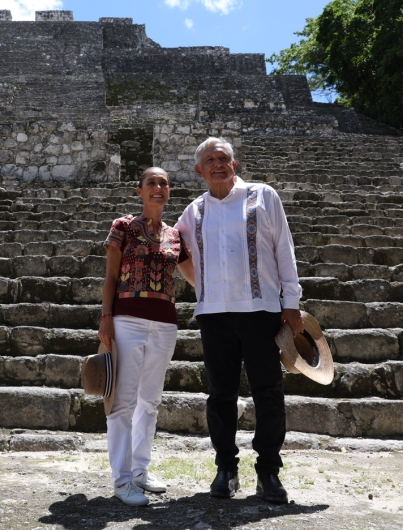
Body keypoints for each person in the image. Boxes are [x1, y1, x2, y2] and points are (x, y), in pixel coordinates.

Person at [175, 137, 303, 504]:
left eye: (224, 158)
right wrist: (204, 287)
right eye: (210, 160)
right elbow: (177, 250)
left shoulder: (263, 196)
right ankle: (225, 469)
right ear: (199, 171)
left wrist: (290, 304)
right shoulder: (193, 210)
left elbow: (284, 248)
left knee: (268, 392)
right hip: (214, 316)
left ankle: (269, 472)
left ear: (235, 164)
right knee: (220, 395)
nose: (218, 164)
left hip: (261, 310)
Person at [99, 167, 191, 507]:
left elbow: (195, 277)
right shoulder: (122, 227)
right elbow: (110, 276)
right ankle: (122, 480)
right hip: (127, 320)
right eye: (151, 182)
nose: (158, 187)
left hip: (165, 323)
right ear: (139, 191)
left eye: (164, 183)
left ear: (169, 192)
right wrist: (106, 317)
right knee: (123, 401)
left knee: (150, 401)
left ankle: (140, 470)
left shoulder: (176, 235)